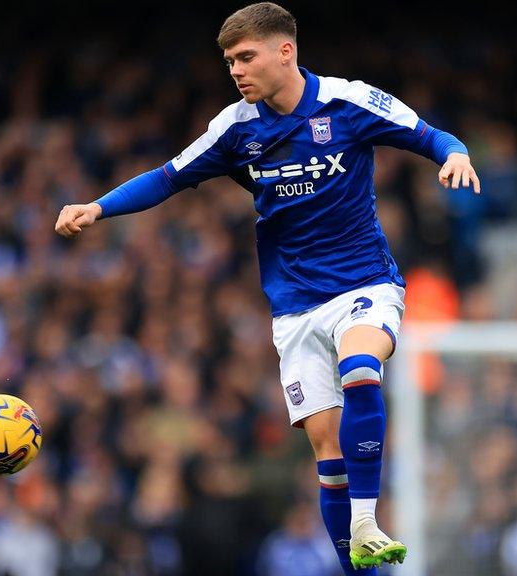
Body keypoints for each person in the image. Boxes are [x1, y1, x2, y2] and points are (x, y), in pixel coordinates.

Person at [55, 2, 479, 571]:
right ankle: (357, 565)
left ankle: (366, 521)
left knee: (361, 372)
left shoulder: (347, 101)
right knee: (328, 456)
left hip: (364, 283)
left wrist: (454, 153)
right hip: (294, 305)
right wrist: (98, 207)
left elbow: (430, 135)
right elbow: (166, 178)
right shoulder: (236, 129)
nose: (235, 70)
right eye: (229, 61)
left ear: (286, 51)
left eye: (245, 57)